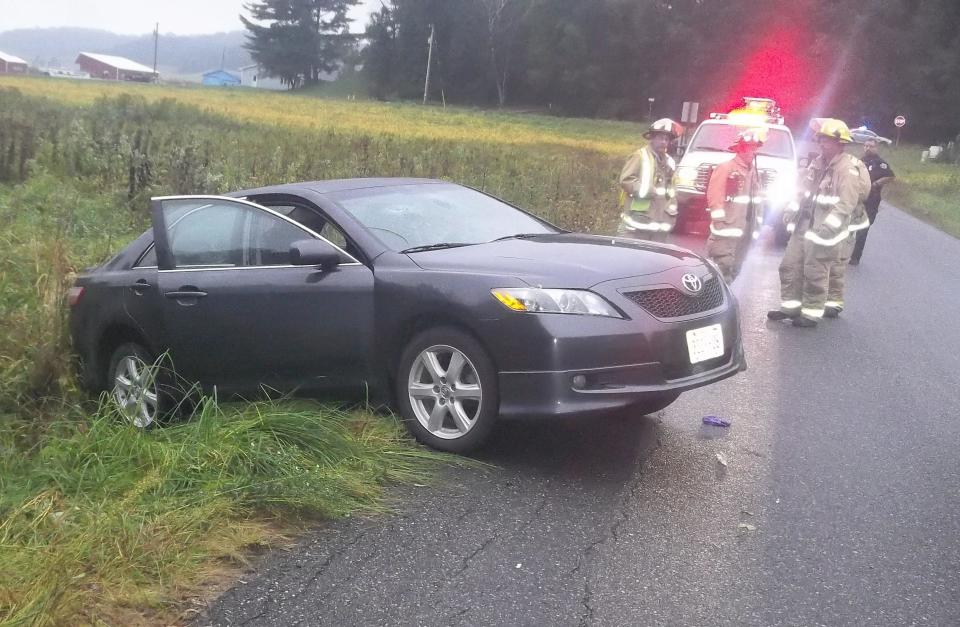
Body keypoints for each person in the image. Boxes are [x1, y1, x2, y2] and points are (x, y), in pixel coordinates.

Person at [767, 118, 864, 328]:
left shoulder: (847, 169)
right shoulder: (818, 163)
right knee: (789, 266)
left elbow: (846, 204)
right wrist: (789, 211)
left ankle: (811, 314)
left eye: (826, 140)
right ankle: (790, 307)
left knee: (815, 272)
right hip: (803, 225)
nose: (821, 143)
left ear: (840, 143)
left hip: (825, 231)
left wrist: (827, 227)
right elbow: (801, 191)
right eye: (820, 139)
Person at [704, 128, 765, 283]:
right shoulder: (726, 168)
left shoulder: (754, 172)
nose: (753, 151)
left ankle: (726, 296)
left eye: (755, 148)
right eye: (750, 147)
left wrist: (757, 225)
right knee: (722, 265)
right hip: (727, 229)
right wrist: (720, 223)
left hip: (746, 230)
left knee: (736, 267)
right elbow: (715, 196)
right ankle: (713, 301)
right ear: (741, 148)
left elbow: (757, 201)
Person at [618, 118, 683, 242]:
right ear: (652, 138)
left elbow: (671, 191)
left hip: (660, 225)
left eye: (666, 139)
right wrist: (648, 190)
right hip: (638, 223)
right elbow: (626, 180)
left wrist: (671, 212)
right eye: (660, 138)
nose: (664, 142)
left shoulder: (669, 162)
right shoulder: (639, 156)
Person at [849, 138, 896, 264]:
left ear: (876, 148)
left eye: (870, 146)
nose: (867, 148)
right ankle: (842, 253)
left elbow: (890, 176)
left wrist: (876, 183)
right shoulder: (860, 161)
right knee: (848, 226)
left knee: (863, 229)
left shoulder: (880, 163)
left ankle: (855, 257)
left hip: (871, 201)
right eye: (865, 146)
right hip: (857, 198)